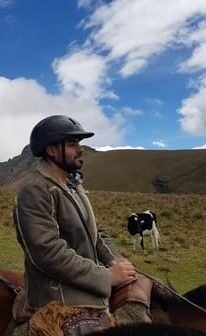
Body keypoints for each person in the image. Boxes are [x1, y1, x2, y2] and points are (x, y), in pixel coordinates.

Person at [12, 115, 141, 335]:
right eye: (73, 144)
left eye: (79, 143)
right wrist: (107, 277)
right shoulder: (36, 190)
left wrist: (116, 261)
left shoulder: (72, 187)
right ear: (52, 150)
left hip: (86, 281)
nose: (81, 149)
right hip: (59, 297)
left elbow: (97, 232)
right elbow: (47, 252)